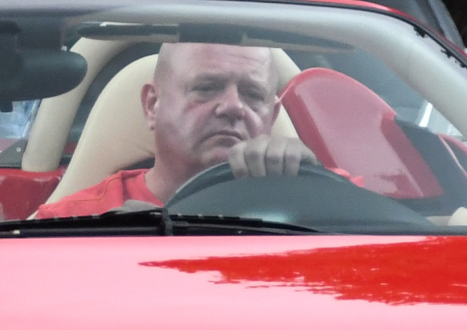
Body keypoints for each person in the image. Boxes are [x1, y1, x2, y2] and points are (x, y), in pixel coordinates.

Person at [36, 41, 315, 216]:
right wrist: (107, 245)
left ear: (273, 116)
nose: (234, 107)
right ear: (152, 105)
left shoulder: (325, 199)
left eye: (253, 94)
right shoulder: (74, 222)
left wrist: (307, 190)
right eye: (206, 88)